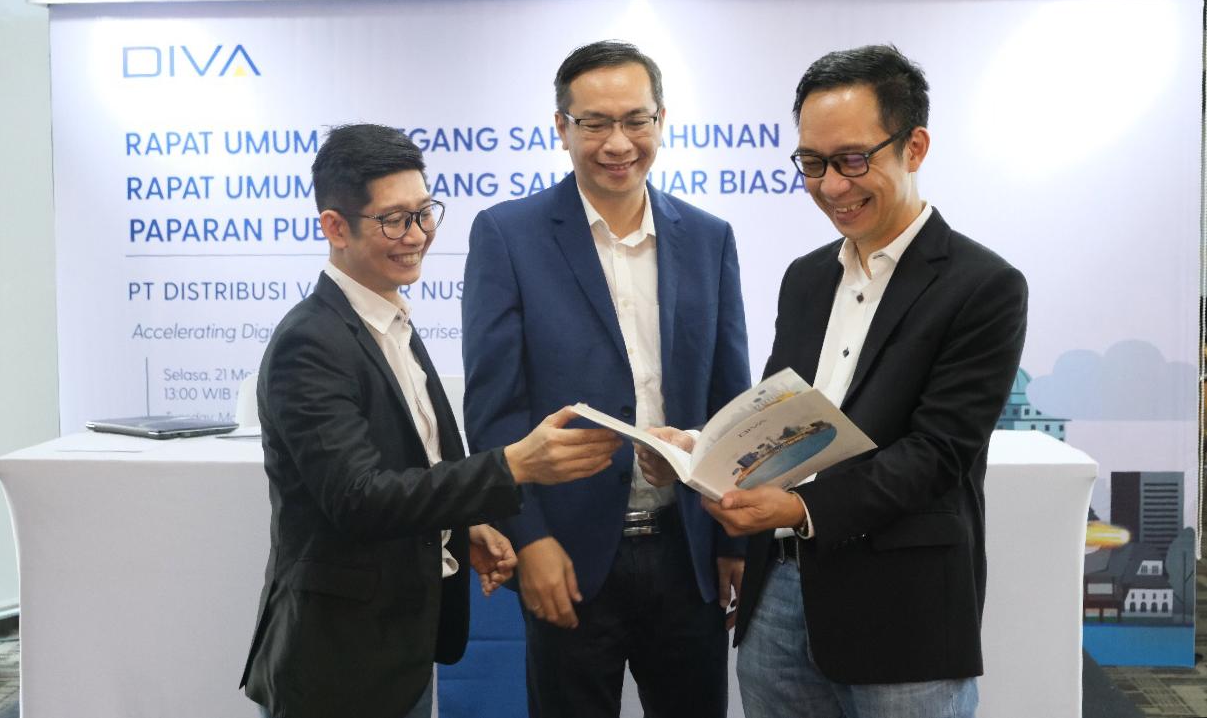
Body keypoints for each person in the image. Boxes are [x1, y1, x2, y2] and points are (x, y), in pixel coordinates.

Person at [239, 124, 622, 718]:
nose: (417, 235)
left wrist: (460, 526)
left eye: (424, 213)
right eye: (394, 220)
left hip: (399, 647)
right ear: (335, 227)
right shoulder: (310, 343)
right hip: (337, 662)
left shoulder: (390, 321)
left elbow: (411, 468)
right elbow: (359, 498)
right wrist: (513, 465)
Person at [701, 45, 1028, 718]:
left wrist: (800, 509)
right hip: (778, 597)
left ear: (914, 147)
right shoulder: (805, 277)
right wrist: (705, 450)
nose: (831, 186)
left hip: (902, 611)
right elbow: (782, 419)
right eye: (812, 163)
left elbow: (937, 453)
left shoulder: (982, 285)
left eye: (852, 160)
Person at [462, 40, 751, 718]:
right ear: (560, 127)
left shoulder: (708, 237)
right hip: (567, 553)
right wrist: (530, 538)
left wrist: (733, 537)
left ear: (661, 120)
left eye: (635, 120)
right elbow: (494, 409)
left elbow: (729, 398)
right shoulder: (508, 235)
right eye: (594, 122)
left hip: (687, 550)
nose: (618, 142)